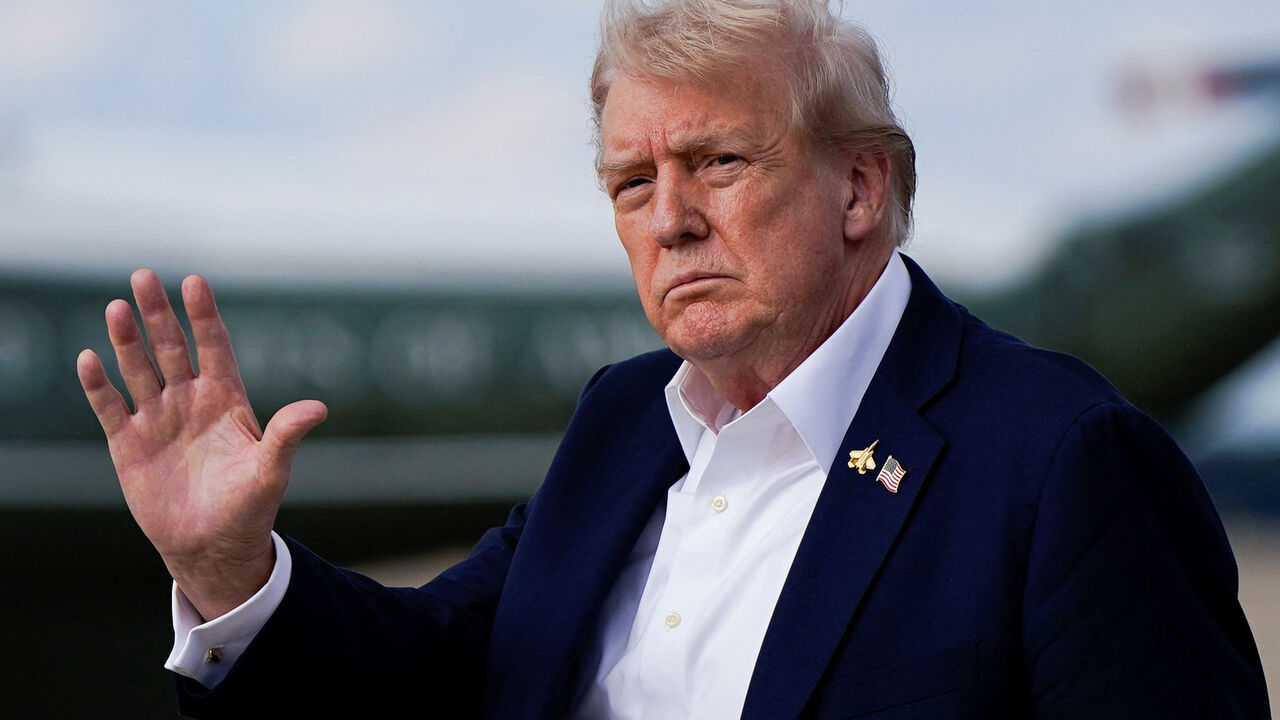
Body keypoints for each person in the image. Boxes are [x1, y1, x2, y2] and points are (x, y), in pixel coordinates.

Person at [78, 1, 1269, 718]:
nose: (668, 220)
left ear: (860, 187)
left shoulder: (1060, 461)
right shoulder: (622, 424)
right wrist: (230, 568)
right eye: (629, 182)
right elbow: (437, 674)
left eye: (717, 164)